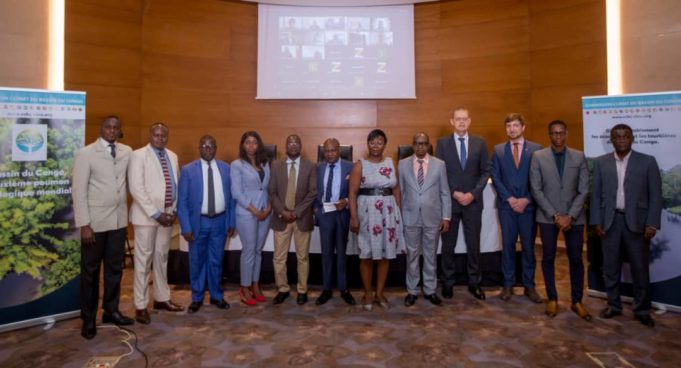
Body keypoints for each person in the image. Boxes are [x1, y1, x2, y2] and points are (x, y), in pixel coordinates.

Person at [590, 123, 662, 328]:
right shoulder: (601, 162)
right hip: (610, 222)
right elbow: (596, 195)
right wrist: (596, 221)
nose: (621, 140)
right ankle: (614, 305)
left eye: (625, 136)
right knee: (611, 267)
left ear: (632, 138)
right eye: (617, 137)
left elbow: (655, 196)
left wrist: (652, 223)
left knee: (639, 269)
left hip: (638, 223)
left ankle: (642, 310)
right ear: (611, 140)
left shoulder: (647, 162)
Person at [72, 115, 133, 339]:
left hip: (118, 221)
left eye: (116, 128)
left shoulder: (126, 151)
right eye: (108, 127)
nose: (111, 130)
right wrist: (84, 224)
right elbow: (78, 191)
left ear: (119, 131)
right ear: (101, 129)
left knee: (115, 269)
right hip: (94, 224)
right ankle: (88, 319)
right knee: (90, 273)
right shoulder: (86, 153)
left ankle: (111, 310)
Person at [530, 120, 591, 320]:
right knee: (548, 257)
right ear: (549, 135)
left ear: (566, 133)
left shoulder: (579, 156)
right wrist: (555, 215)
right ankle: (552, 299)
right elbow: (536, 189)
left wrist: (570, 215)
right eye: (554, 133)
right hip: (548, 217)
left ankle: (577, 301)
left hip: (574, 217)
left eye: (561, 133)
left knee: (576, 259)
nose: (558, 137)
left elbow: (584, 189)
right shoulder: (538, 157)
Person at [128, 123, 184, 324]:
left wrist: (173, 210)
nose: (160, 138)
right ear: (150, 135)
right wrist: (155, 213)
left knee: (162, 259)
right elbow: (136, 188)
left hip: (167, 217)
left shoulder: (173, 155)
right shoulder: (138, 155)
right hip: (146, 218)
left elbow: (175, 185)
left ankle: (162, 298)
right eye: (156, 134)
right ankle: (141, 305)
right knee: (143, 262)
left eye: (163, 135)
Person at [435, 107, 490, 300]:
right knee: (448, 245)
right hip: (450, 202)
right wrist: (454, 193)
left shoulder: (480, 143)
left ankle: (475, 283)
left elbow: (486, 171)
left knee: (473, 244)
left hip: (473, 203)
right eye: (457, 119)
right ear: (451, 121)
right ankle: (447, 283)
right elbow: (439, 173)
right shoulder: (442, 143)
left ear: (470, 121)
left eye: (464, 119)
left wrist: (473, 194)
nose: (461, 122)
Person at [177, 135, 236, 314]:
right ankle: (197, 298)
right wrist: (186, 227)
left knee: (216, 260)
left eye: (211, 146)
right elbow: (182, 202)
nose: (207, 149)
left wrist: (231, 222)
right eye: (204, 146)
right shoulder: (188, 170)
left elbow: (232, 200)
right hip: (198, 222)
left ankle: (217, 296)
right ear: (199, 148)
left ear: (216, 148)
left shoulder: (226, 169)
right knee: (196, 261)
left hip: (220, 221)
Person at [349, 129, 404, 311]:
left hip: (388, 214)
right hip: (367, 213)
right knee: (367, 255)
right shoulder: (360, 165)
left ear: (384, 145)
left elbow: (396, 189)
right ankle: (368, 293)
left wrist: (398, 213)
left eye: (379, 142)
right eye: (372, 142)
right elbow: (352, 193)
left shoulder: (391, 163)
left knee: (384, 256)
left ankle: (380, 293)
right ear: (367, 144)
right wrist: (354, 218)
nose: (375, 145)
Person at [491, 113, 543, 303]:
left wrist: (526, 200)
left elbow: (539, 179)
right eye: (508, 126)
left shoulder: (536, 150)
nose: (511, 129)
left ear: (523, 127)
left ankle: (529, 286)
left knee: (529, 247)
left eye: (515, 125)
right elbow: (495, 177)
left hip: (528, 208)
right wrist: (511, 199)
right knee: (508, 246)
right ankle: (508, 285)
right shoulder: (498, 150)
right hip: (507, 207)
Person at [399, 132, 451, 307]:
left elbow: (445, 192)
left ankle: (430, 290)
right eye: (417, 143)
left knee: (430, 256)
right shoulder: (402, 164)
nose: (420, 146)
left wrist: (446, 216)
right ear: (412, 145)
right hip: (410, 217)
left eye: (423, 143)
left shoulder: (440, 164)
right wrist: (400, 217)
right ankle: (412, 291)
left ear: (428, 145)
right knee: (412, 255)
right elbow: (402, 193)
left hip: (433, 218)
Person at [269, 134, 317, 305]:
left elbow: (312, 193)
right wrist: (282, 211)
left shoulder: (310, 166)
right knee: (279, 258)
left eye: (297, 142)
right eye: (290, 142)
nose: (293, 145)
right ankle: (282, 289)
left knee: (302, 257)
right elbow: (272, 192)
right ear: (285, 146)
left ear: (301, 145)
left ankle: (302, 290)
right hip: (281, 218)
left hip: (301, 218)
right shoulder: (275, 165)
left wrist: (296, 212)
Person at [231, 131, 272, 306]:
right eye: (247, 142)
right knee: (248, 251)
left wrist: (269, 207)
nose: (251, 146)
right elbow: (237, 193)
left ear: (259, 145)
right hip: (247, 213)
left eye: (254, 142)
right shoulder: (237, 165)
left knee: (257, 250)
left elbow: (268, 188)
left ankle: (255, 284)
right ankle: (244, 287)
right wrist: (255, 211)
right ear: (242, 145)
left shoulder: (265, 163)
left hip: (265, 212)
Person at [314, 138, 356, 306]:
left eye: (333, 150)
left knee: (341, 254)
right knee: (326, 254)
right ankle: (326, 289)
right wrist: (316, 209)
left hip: (342, 213)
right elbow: (312, 190)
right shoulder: (318, 168)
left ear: (339, 151)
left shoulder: (350, 167)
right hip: (325, 214)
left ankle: (344, 289)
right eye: (327, 151)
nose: (330, 154)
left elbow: (356, 191)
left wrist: (346, 201)